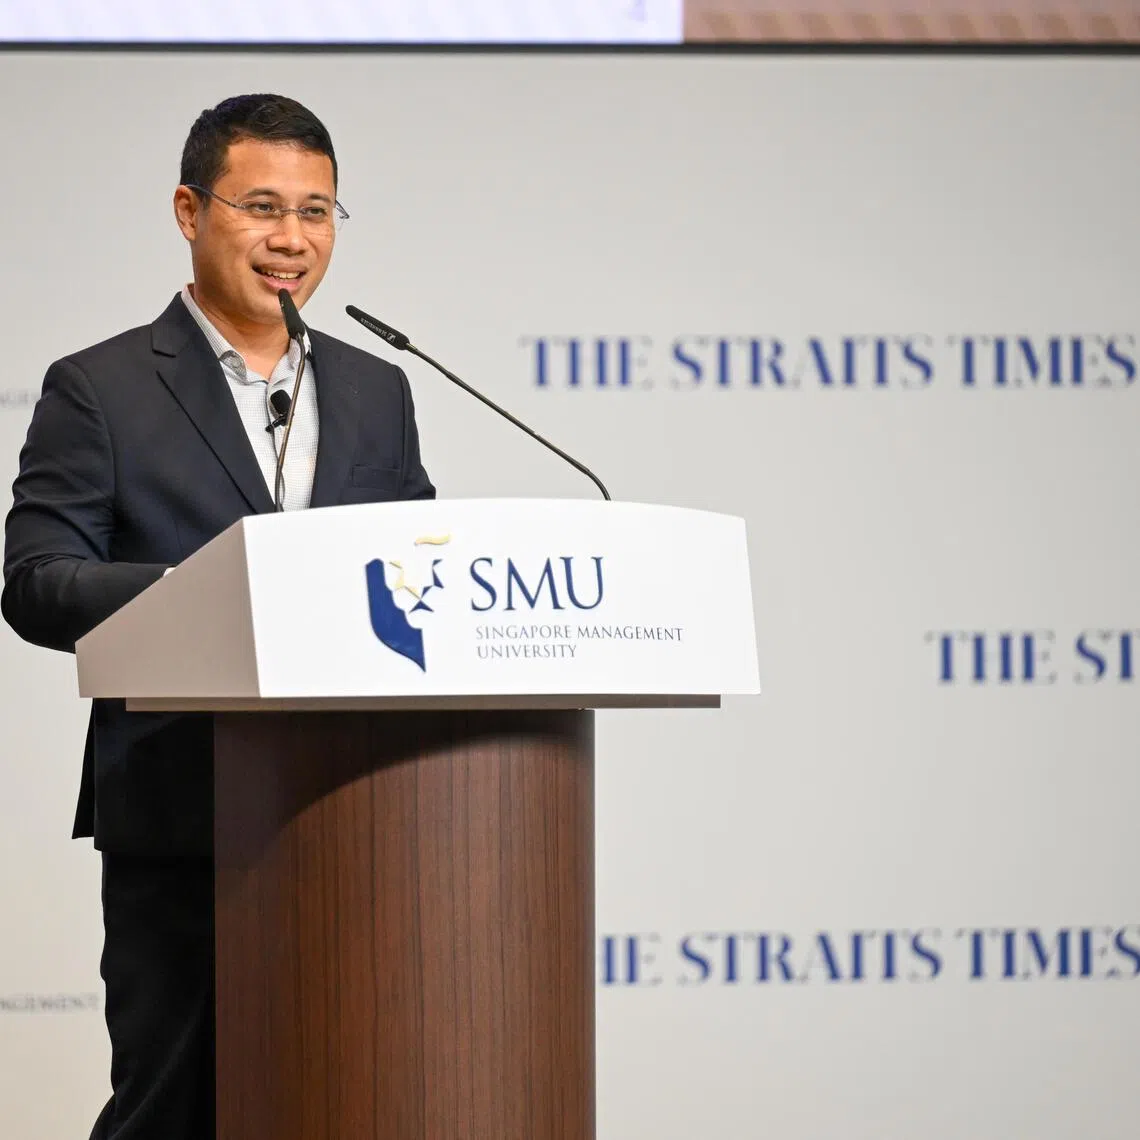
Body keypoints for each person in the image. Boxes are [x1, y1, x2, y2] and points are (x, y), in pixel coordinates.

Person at [2, 93, 434, 1140]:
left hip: (359, 810)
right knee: (175, 1109)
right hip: (181, 811)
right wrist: (211, 591)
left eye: (317, 211)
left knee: (346, 1099)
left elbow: (419, 560)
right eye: (262, 207)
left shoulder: (377, 388)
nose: (293, 237)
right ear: (190, 212)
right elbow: (38, 581)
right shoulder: (101, 388)